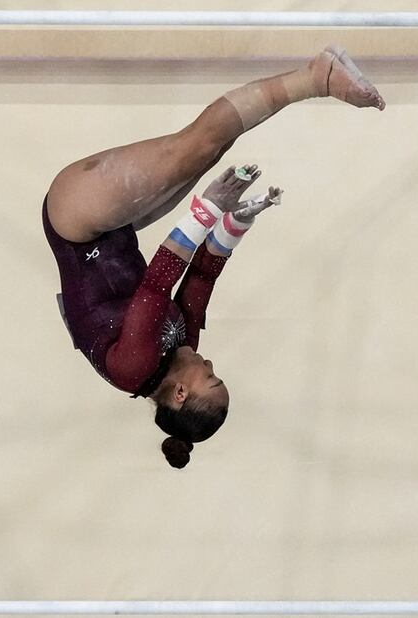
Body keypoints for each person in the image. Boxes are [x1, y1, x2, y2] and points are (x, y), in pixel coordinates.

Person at [42, 46, 384, 468]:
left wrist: (205, 210)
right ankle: (316, 78)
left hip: (76, 221)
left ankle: (316, 78)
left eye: (212, 377)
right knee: (211, 149)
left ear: (180, 394)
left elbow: (155, 284)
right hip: (114, 228)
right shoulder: (182, 348)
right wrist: (236, 220)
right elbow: (202, 275)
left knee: (194, 146)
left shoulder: (134, 367)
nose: (209, 363)